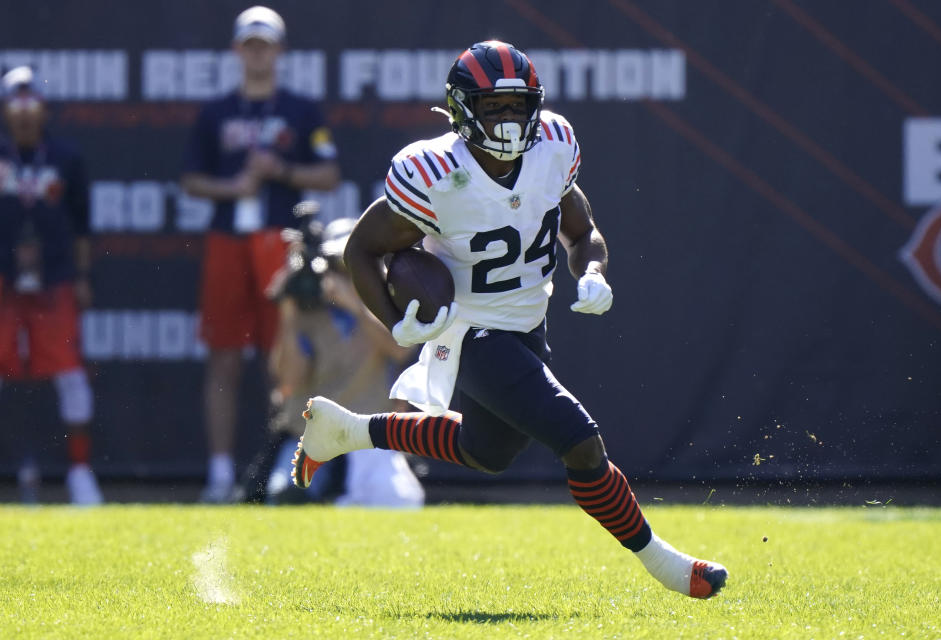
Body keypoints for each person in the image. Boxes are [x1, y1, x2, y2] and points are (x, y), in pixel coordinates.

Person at [292, 41, 728, 598]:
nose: (509, 119)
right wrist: (393, 321)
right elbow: (362, 250)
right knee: (579, 441)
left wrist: (592, 270)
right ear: (460, 109)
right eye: (493, 106)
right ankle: (667, 564)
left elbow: (580, 229)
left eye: (518, 105)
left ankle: (347, 430)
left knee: (487, 452)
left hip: (525, 324)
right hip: (469, 329)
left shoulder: (552, 146)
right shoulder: (434, 170)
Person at [181, 6, 340, 502]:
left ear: (280, 51)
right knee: (224, 357)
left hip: (280, 240)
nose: (257, 53)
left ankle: (284, 466)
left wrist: (282, 171)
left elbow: (329, 174)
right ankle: (221, 472)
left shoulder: (300, 109)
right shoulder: (216, 112)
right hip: (229, 237)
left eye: (265, 44)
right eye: (249, 44)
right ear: (236, 51)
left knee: (288, 357)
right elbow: (190, 180)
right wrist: (234, 185)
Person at [256, 208, 423, 506]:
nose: (345, 273)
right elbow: (290, 379)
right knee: (285, 495)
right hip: (311, 432)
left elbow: (400, 350)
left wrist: (356, 306)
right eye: (337, 265)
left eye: (352, 265)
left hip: (370, 430)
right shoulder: (308, 312)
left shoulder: (384, 304)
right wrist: (289, 314)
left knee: (396, 501)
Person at [0, 66, 102, 504]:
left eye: (31, 104)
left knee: (69, 373)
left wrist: (80, 277)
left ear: (44, 110)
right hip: (2, 281)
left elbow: (81, 225)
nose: (24, 114)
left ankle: (80, 474)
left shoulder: (65, 156)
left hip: (55, 279)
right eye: (15, 104)